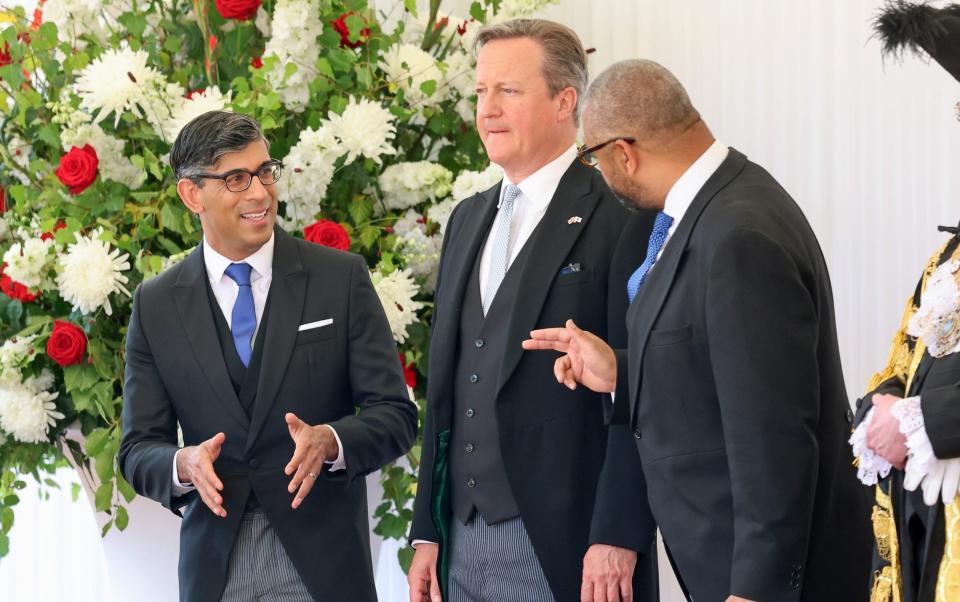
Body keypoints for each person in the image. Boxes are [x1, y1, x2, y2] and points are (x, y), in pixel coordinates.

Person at [523, 58, 872, 601]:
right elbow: (723, 372)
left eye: (591, 158)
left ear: (624, 153)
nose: (598, 172)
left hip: (766, 580)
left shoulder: (738, 234)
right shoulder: (712, 208)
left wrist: (756, 589)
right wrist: (621, 370)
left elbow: (775, 435)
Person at [406, 18, 659, 602]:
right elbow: (445, 390)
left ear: (565, 101)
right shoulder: (467, 220)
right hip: (463, 538)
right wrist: (427, 531)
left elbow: (647, 387)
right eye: (480, 92)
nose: (487, 109)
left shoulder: (621, 216)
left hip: (571, 542)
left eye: (508, 91)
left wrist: (619, 532)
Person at [119, 111, 417, 602]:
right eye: (236, 179)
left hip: (324, 567)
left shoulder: (339, 278)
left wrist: (332, 440)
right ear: (192, 195)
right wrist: (183, 463)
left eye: (264, 172)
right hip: (215, 570)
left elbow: (397, 416)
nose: (259, 193)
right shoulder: (156, 304)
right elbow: (137, 450)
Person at [850, 4, 960, 601]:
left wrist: (924, 423)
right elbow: (905, 359)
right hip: (929, 532)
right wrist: (883, 406)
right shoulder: (951, 257)